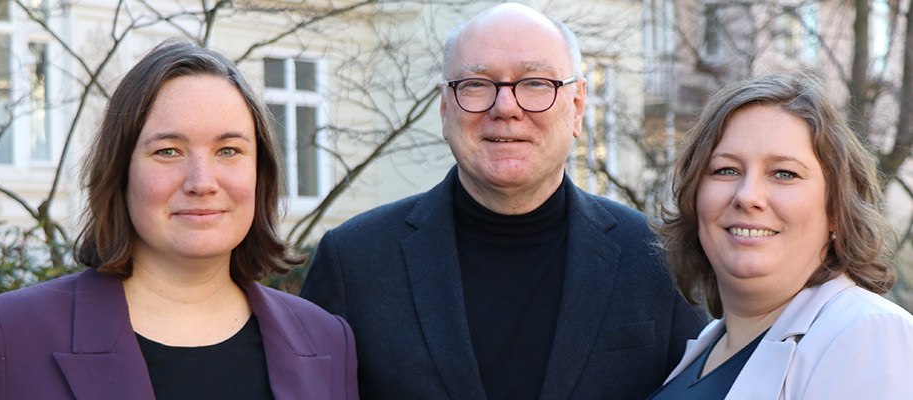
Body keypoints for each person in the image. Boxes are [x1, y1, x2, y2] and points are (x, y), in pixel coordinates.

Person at [299, 3, 707, 399]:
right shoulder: (354, 262)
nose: (505, 107)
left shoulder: (657, 259)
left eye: (536, 84)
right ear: (445, 108)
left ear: (578, 106)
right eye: (476, 85)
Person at [0, 39, 358, 399]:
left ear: (260, 172)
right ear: (120, 171)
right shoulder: (9, 337)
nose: (201, 182)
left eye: (229, 150)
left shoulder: (327, 342)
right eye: (168, 151)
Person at [648, 72, 913, 399]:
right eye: (726, 170)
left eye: (784, 173)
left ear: (835, 209)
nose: (747, 196)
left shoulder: (869, 335)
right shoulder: (709, 344)